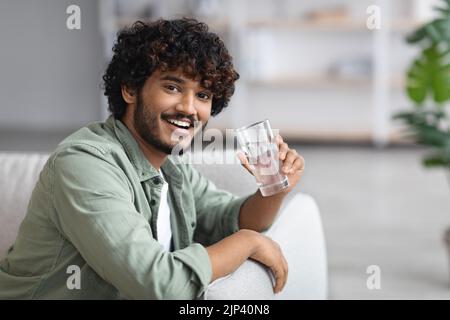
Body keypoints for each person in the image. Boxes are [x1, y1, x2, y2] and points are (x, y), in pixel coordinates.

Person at [0, 18, 305, 299]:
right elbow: (158, 284)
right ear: (130, 89)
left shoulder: (171, 168)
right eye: (172, 87)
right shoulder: (85, 164)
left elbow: (227, 219)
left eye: (203, 95)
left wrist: (273, 190)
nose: (189, 108)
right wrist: (247, 242)